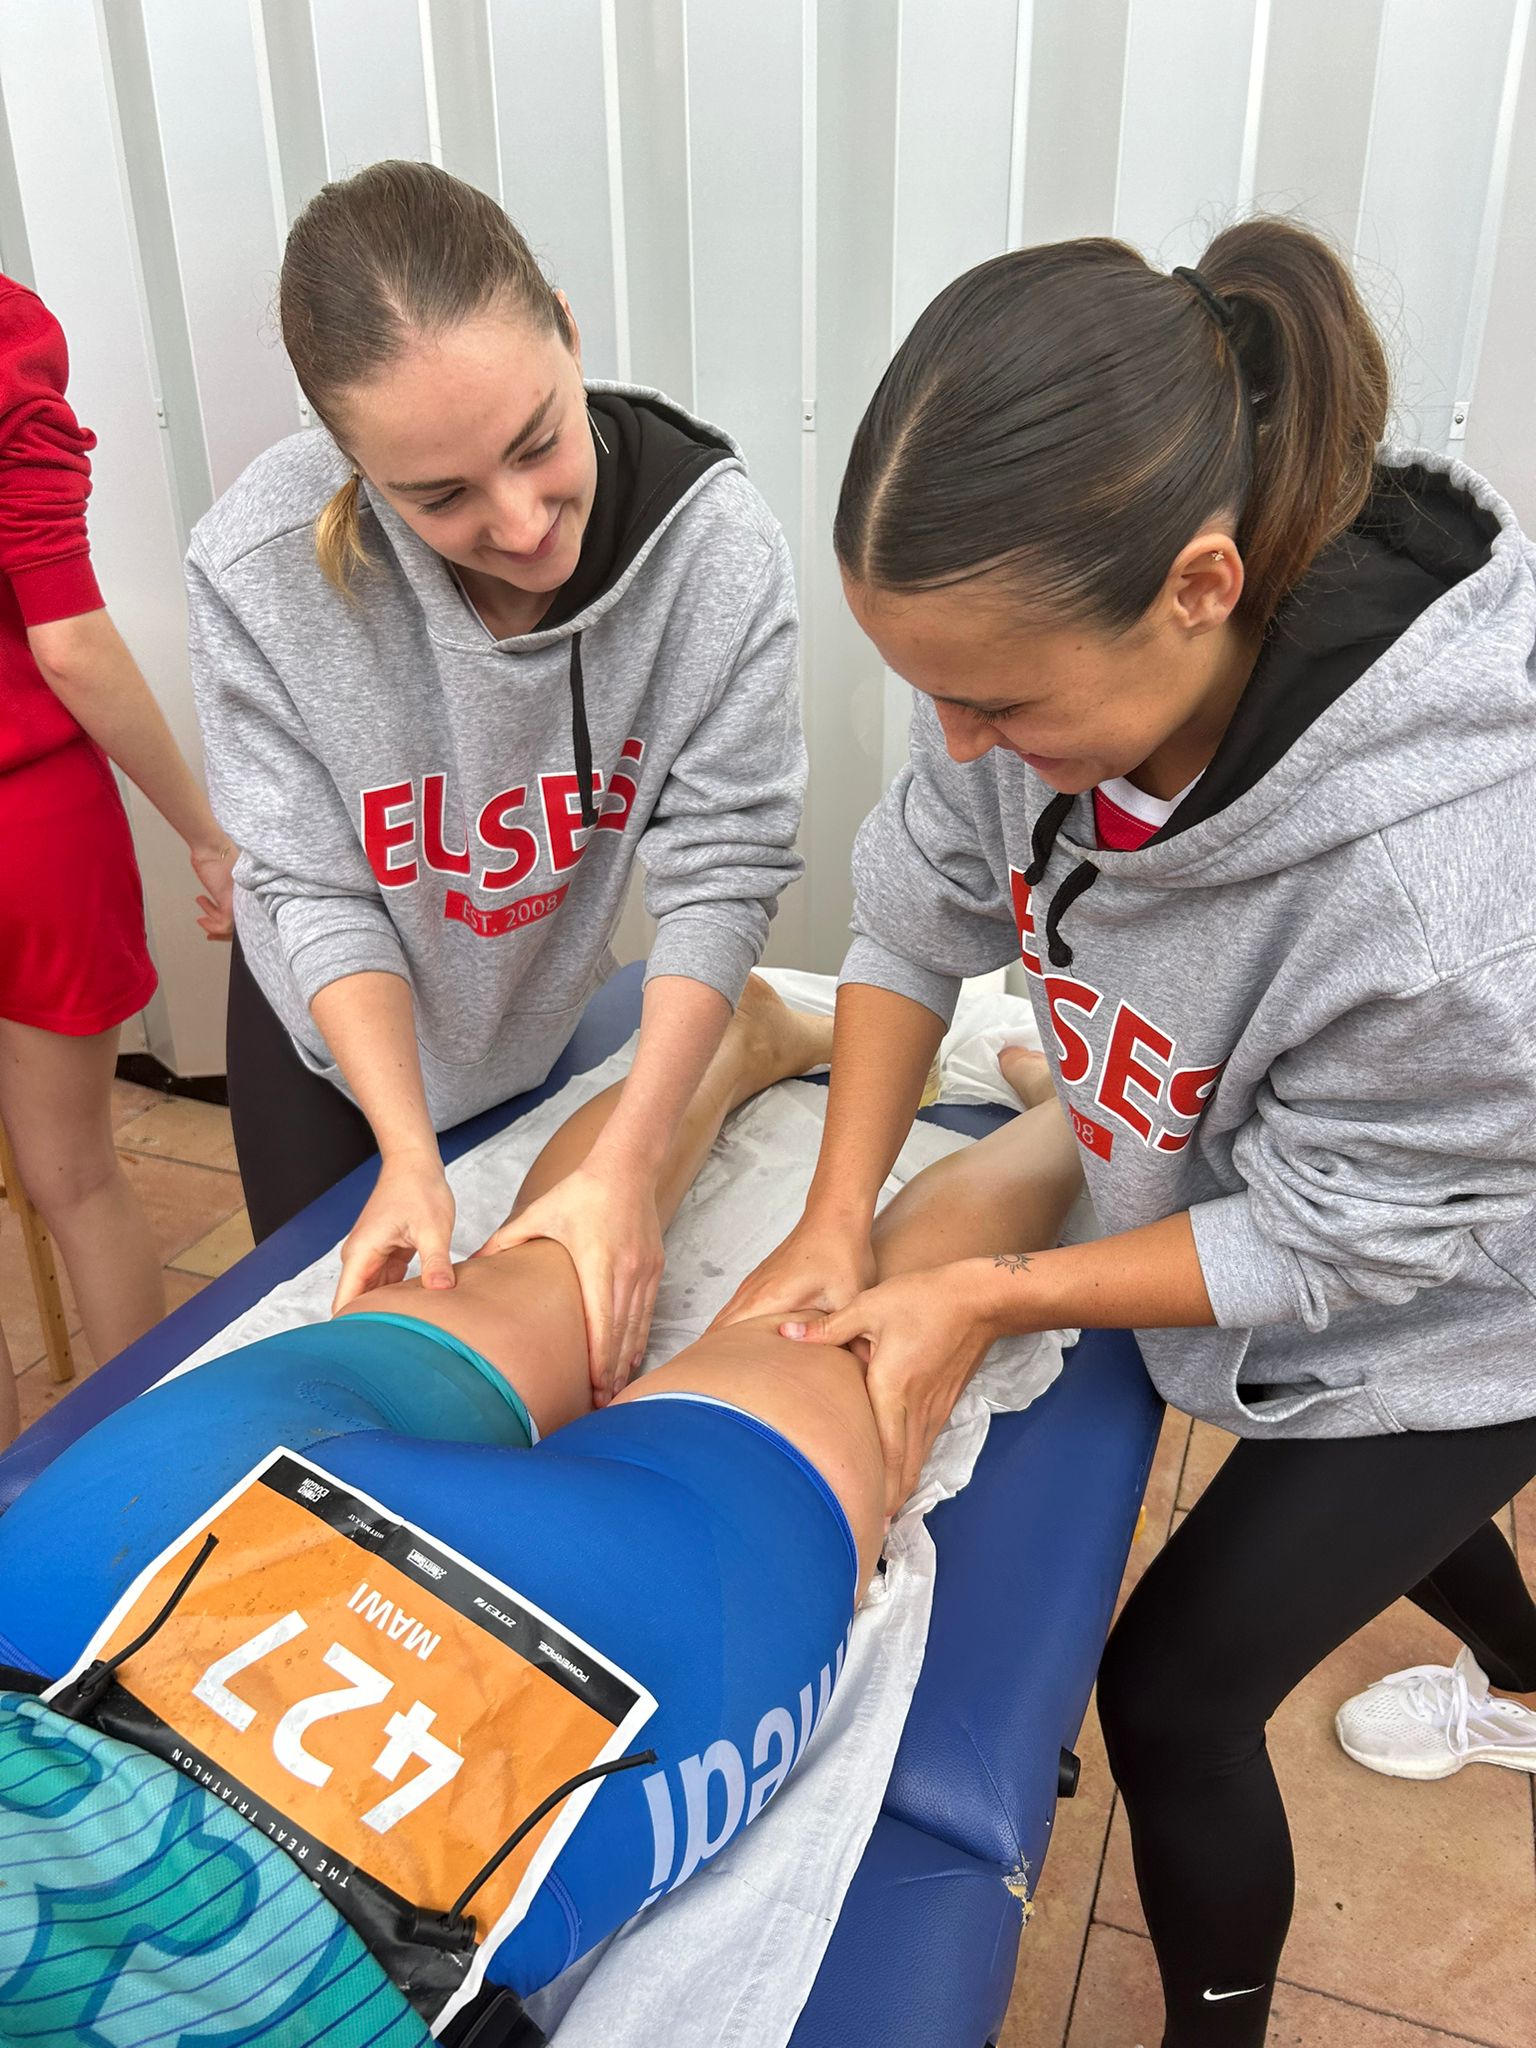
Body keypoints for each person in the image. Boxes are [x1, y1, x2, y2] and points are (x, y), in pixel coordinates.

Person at [719, 221, 1536, 2047]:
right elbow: (913, 906)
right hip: (1308, 1196)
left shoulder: (1445, 889)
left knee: (1175, 1692)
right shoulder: (1019, 654)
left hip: (1481, 1296)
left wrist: (994, 1291)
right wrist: (838, 1213)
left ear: (1197, 585)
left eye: (1000, 705)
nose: (957, 741)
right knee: (1359, 1482)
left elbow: (1330, 1242)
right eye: (932, 689)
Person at [0, 979, 1083, 2041]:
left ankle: (1015, 1110)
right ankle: (1060, 1116)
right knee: (702, 1299)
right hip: (104, 1603)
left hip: (227, 1699)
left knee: (826, 1330)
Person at [190, 161, 805, 1408]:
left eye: (538, 443)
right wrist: (405, 1151)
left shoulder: (713, 551)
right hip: (330, 1034)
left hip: (528, 1001)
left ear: (569, 333)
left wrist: (630, 1159)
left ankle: (758, 1037)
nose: (523, 525)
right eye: (441, 496)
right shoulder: (258, 568)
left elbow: (724, 866)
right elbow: (315, 888)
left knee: (577, 1253)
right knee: (346, 1368)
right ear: (352, 463)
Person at [0, 273, 236, 1449]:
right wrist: (206, 830)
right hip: (31, 831)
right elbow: (70, 645)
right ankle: (142, 1475)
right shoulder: (4, 332)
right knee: (79, 1175)